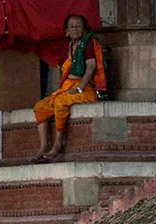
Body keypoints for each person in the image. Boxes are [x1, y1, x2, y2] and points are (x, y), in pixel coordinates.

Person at [30, 14, 106, 164]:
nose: (75, 29)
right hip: (66, 87)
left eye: (78, 26)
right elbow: (59, 68)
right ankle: (44, 146)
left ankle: (58, 144)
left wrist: (79, 89)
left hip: (85, 89)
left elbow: (90, 67)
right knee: (40, 107)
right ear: (66, 30)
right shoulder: (67, 45)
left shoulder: (88, 43)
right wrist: (57, 89)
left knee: (61, 102)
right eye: (71, 26)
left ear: (84, 29)